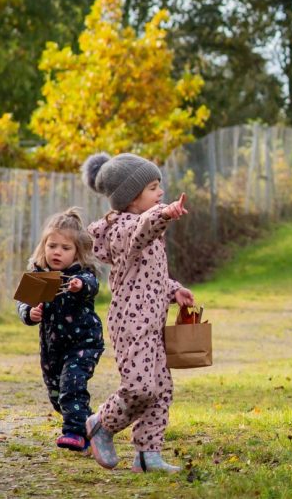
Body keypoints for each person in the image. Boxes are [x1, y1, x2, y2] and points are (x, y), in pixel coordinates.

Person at [81, 151, 195, 473]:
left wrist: (173, 289)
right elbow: (142, 229)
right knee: (140, 387)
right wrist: (165, 214)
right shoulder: (123, 228)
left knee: (161, 389)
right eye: (153, 188)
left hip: (153, 322)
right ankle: (101, 424)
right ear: (131, 198)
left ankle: (148, 455)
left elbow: (152, 275)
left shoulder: (149, 232)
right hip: (131, 323)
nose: (160, 193)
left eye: (160, 187)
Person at [17, 208, 104, 452]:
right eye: (52, 245)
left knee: (71, 386)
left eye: (65, 248)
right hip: (52, 347)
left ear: (77, 251)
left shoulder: (81, 274)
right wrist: (29, 313)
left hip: (83, 343)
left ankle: (74, 433)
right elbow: (24, 302)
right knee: (57, 395)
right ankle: (92, 426)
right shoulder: (40, 274)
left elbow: (93, 285)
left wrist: (80, 286)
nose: (57, 252)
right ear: (44, 245)